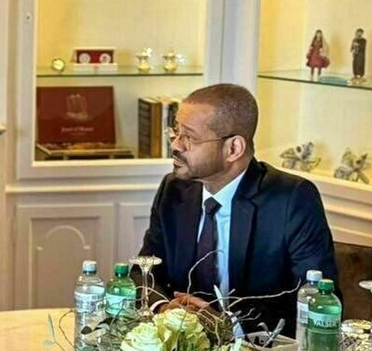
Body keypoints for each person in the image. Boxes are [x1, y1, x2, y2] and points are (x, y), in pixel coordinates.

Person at [137, 83, 337, 335]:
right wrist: (164, 308)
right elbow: (144, 271)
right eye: (176, 132)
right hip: (180, 345)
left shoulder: (292, 199)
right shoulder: (174, 189)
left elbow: (316, 299)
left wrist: (228, 326)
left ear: (233, 149)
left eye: (190, 137)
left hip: (258, 349)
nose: (176, 145)